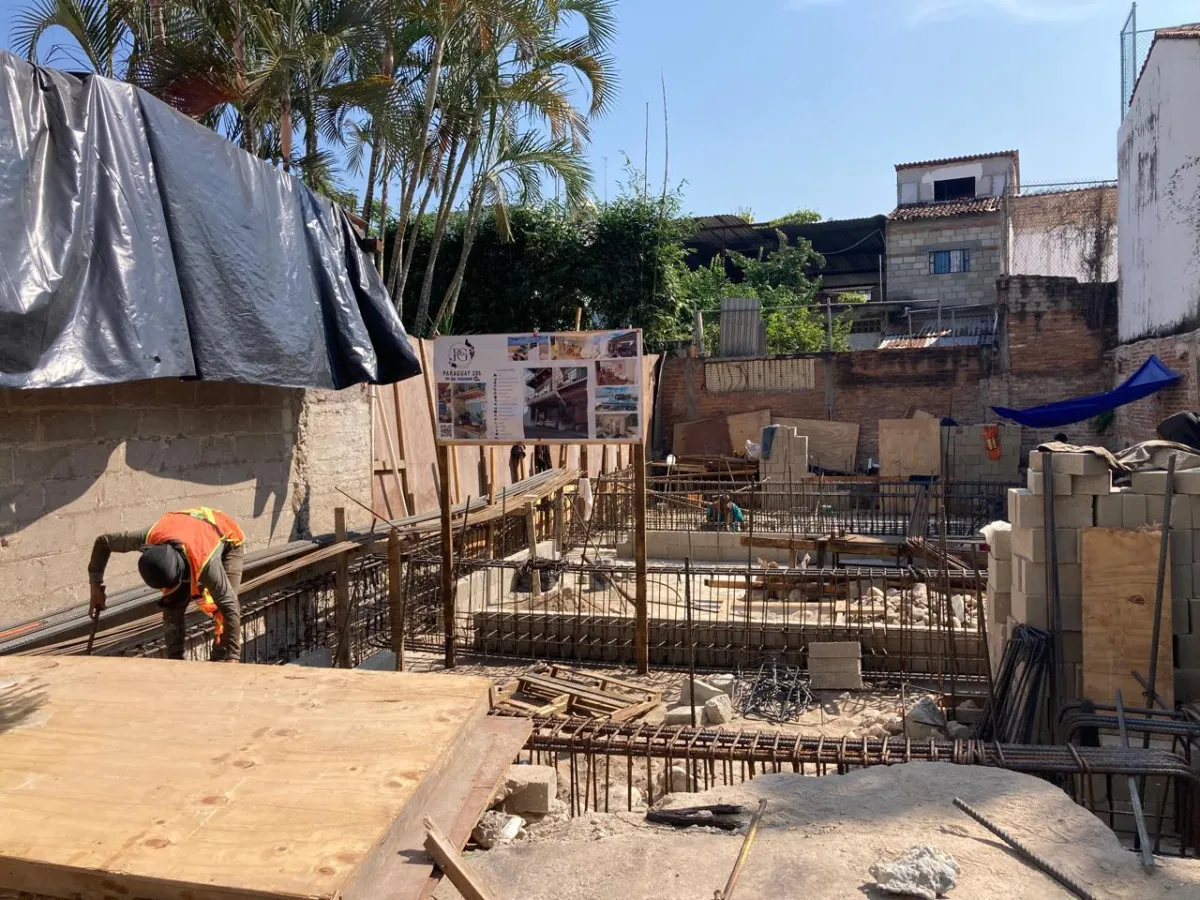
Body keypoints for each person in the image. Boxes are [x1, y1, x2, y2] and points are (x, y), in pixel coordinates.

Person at [88, 507, 246, 662]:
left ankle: (219, 659)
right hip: (182, 529)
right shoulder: (147, 537)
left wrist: (233, 657)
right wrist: (95, 587)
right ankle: (175, 661)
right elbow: (103, 542)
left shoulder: (206, 562)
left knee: (222, 609)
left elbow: (230, 606)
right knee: (172, 605)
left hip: (226, 536)